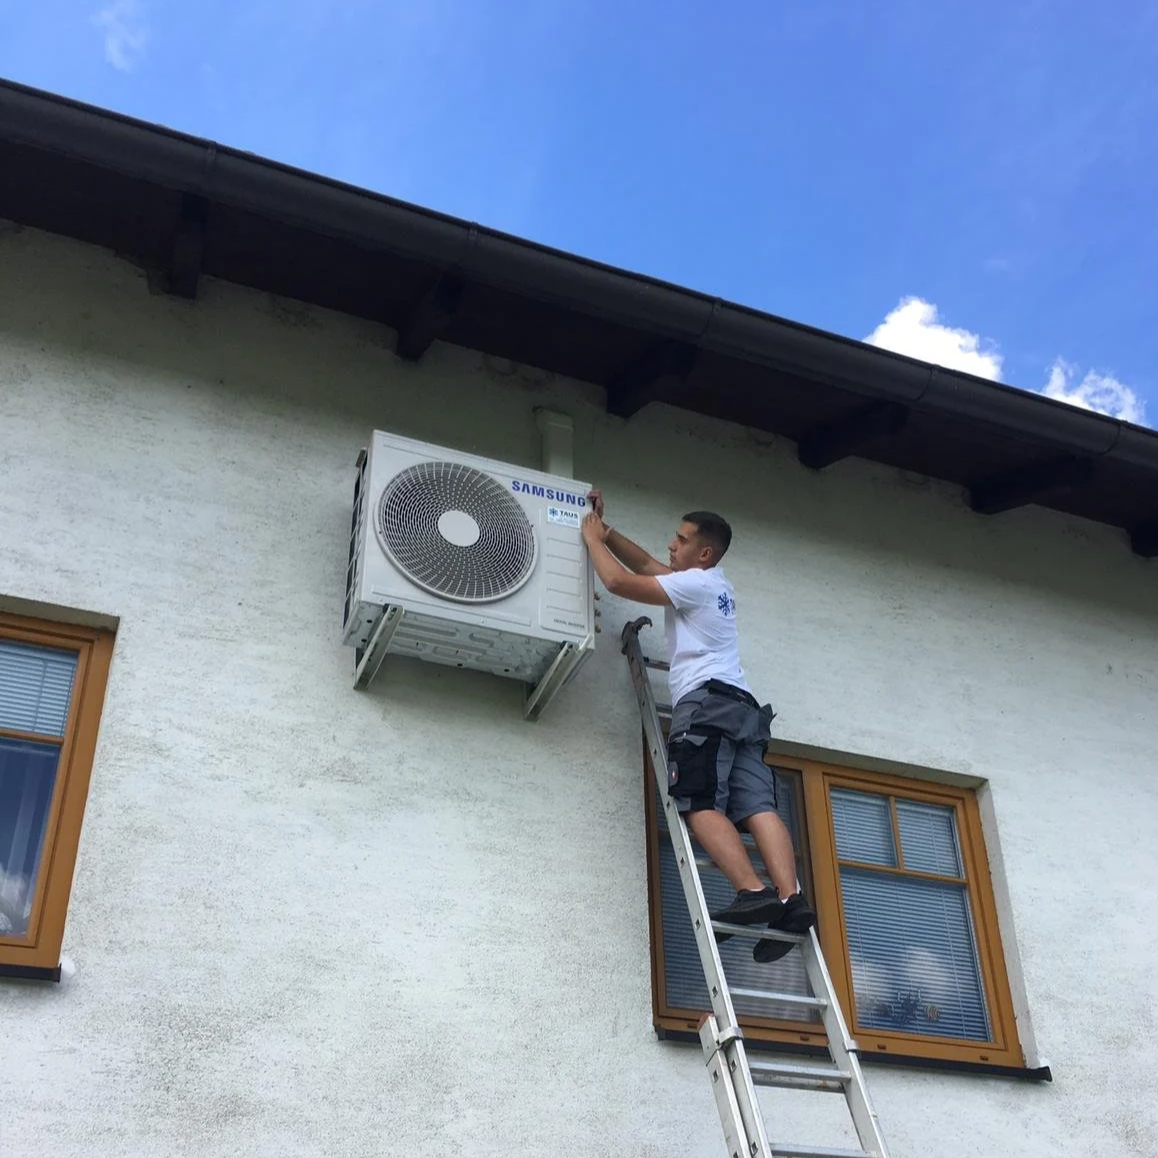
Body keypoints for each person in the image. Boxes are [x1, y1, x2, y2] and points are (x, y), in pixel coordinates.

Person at [581, 490, 815, 962]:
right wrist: (607, 532)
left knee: (696, 797)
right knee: (756, 805)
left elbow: (619, 582)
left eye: (682, 539)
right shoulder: (715, 585)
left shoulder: (696, 584)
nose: (672, 545)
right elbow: (648, 563)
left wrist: (590, 542)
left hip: (705, 704)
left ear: (703, 553)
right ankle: (790, 898)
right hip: (743, 709)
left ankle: (752, 891)